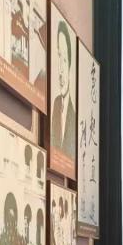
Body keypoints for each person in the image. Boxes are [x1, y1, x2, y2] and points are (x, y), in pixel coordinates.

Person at [50, 20, 76, 157]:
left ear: (70, 67)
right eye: (59, 56)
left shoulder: (74, 118)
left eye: (65, 60)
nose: (60, 70)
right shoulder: (55, 105)